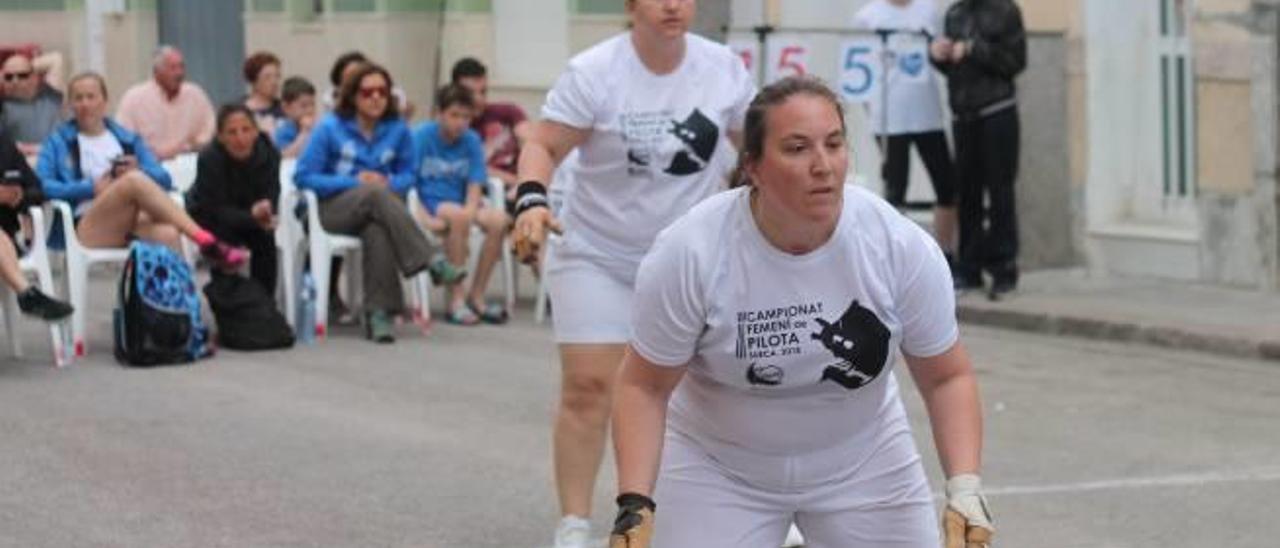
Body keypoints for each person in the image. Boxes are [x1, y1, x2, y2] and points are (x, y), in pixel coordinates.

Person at [606, 76, 992, 548]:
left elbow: (946, 377)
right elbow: (644, 386)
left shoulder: (897, 244)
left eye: (834, 144)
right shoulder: (690, 252)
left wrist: (965, 488)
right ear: (753, 166)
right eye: (797, 148)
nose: (823, 166)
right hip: (718, 467)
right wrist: (634, 502)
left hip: (863, 460)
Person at [510, 1, 756, 545]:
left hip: (686, 260)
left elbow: (755, 150)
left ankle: (706, 516)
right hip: (597, 251)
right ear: (630, 5)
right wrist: (530, 200)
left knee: (708, 393)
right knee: (589, 386)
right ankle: (573, 523)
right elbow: (543, 144)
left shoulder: (724, 69)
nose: (673, 5)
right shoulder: (595, 71)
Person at [295, 63, 460, 343]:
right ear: (352, 96)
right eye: (367, 92)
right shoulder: (330, 128)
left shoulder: (398, 130)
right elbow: (304, 176)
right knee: (373, 194)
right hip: (329, 210)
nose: (375, 98)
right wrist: (356, 182)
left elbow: (409, 175)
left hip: (377, 209)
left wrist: (388, 184)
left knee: (377, 229)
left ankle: (378, 315)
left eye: (382, 92)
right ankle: (430, 258)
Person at [35, 72, 246, 269]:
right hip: (86, 226)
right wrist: (90, 188)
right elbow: (42, 186)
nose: (85, 104)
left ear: (104, 101)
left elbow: (163, 178)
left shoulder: (126, 139)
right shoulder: (58, 141)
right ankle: (205, 239)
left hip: (133, 222)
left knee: (169, 234)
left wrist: (138, 168)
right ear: (70, 104)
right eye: (78, 98)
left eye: (91, 97)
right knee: (133, 181)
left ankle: (168, 305)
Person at [929, 0, 1026, 299]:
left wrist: (972, 49)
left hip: (997, 112)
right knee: (967, 194)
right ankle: (969, 269)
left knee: (1000, 192)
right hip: (963, 115)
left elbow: (1015, 62)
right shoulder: (955, 13)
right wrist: (939, 57)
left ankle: (1003, 270)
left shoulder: (1006, 11)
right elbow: (953, 71)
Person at [853, 0, 957, 265]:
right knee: (895, 190)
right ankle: (895, 260)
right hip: (890, 118)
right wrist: (873, 111)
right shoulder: (867, 17)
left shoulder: (929, 11)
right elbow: (859, 68)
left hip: (927, 114)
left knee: (946, 186)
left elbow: (940, 56)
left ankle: (944, 255)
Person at [410, 84, 510, 325]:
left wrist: (471, 209)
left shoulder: (472, 140)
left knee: (499, 221)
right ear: (439, 113)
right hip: (433, 203)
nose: (460, 122)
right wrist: (423, 217)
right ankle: (456, 298)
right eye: (454, 115)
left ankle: (477, 295)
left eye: (466, 117)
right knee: (458, 216)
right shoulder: (421, 136)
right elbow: (409, 183)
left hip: (460, 203)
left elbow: (475, 182)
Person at [187, 104, 281, 293]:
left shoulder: (269, 154)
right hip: (211, 218)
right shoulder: (209, 158)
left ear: (255, 132)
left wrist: (266, 210)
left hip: (252, 218)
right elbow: (213, 208)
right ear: (221, 137)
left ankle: (264, 304)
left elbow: (272, 193)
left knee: (265, 239)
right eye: (232, 132)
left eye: (246, 130)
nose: (240, 138)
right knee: (222, 240)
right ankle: (228, 304)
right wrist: (252, 217)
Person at [0, 128, 72, 320]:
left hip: (6, 241)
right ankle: (26, 293)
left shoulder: (4, 144)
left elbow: (38, 190)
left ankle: (27, 295)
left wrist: (19, 196)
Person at [115, 45, 216, 160]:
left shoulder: (195, 95)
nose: (179, 73)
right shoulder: (134, 99)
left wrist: (193, 146)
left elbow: (209, 129)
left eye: (181, 67)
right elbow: (123, 137)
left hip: (189, 162)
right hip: (149, 166)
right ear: (156, 72)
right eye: (172, 68)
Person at [450, 57, 529, 188]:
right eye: (470, 93)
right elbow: (467, 168)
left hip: (521, 186)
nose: (478, 99)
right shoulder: (454, 128)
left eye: (483, 92)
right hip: (483, 191)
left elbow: (530, 144)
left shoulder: (508, 112)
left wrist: (529, 182)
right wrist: (517, 183)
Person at [0, 52, 64, 155]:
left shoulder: (51, 94)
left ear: (35, 78)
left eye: (22, 75)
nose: (15, 81)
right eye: (8, 77)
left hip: (61, 157)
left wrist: (19, 66)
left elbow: (55, 59)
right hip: (28, 160)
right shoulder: (3, 107)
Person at [322, 51, 415, 120]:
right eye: (351, 80)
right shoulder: (330, 127)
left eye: (381, 91)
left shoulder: (396, 128)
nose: (375, 96)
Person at [240, 51, 286, 140]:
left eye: (277, 76)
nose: (274, 82)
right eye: (267, 77)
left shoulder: (284, 108)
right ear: (254, 81)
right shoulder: (239, 110)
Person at [275, 76, 317, 158]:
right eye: (304, 106)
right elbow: (286, 155)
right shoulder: (283, 131)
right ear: (286, 108)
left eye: (312, 104)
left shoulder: (317, 127)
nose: (310, 110)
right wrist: (305, 132)